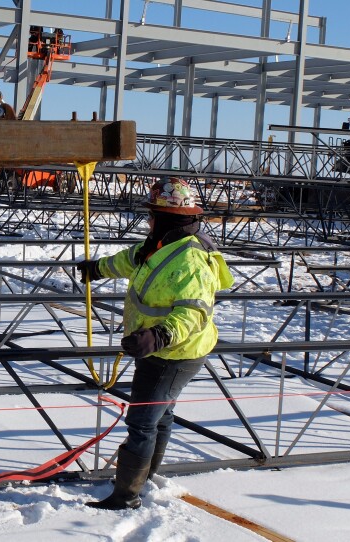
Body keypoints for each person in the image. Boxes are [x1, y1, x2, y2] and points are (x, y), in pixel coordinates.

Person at [75, 178, 233, 510]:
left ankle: (126, 495)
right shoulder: (161, 244)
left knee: (143, 421)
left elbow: (194, 312)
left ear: (167, 216)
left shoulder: (189, 259)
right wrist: (97, 269)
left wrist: (158, 336)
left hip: (173, 353)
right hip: (159, 349)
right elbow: (130, 260)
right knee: (159, 415)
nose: (148, 220)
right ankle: (145, 478)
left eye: (152, 213)